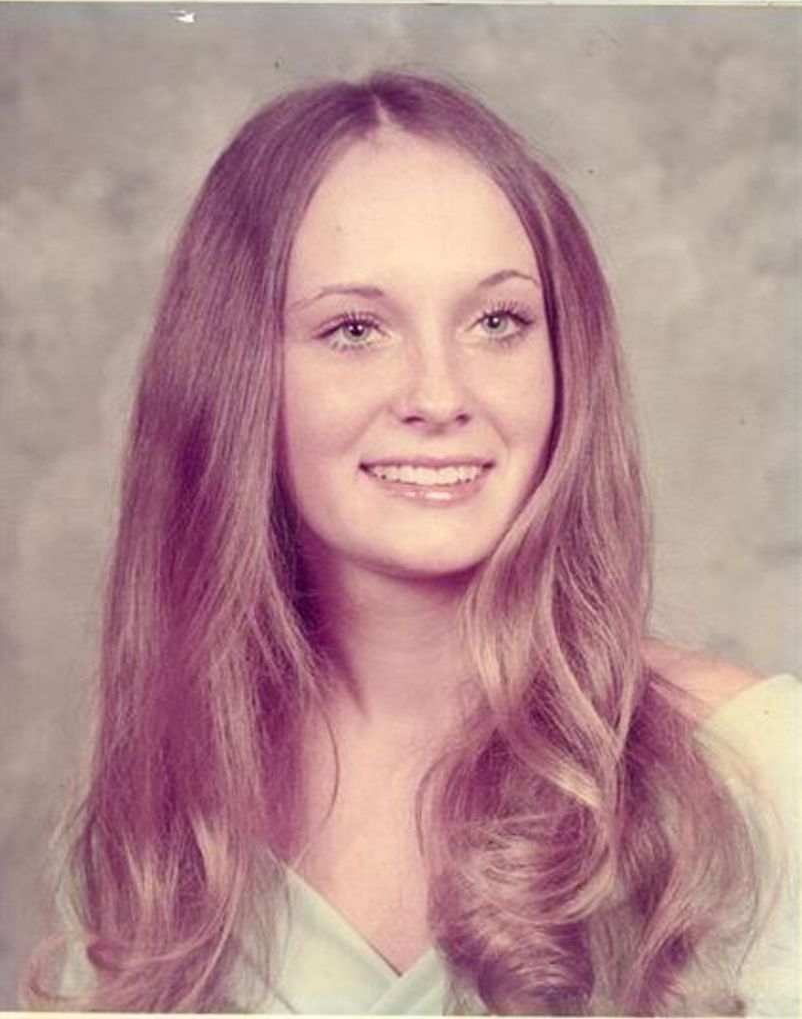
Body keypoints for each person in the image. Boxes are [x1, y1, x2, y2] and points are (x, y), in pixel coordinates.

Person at [25, 71, 798, 1016]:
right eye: (355, 329)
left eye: (498, 322)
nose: (439, 394)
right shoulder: (152, 825)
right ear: (233, 378)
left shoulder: (760, 774)